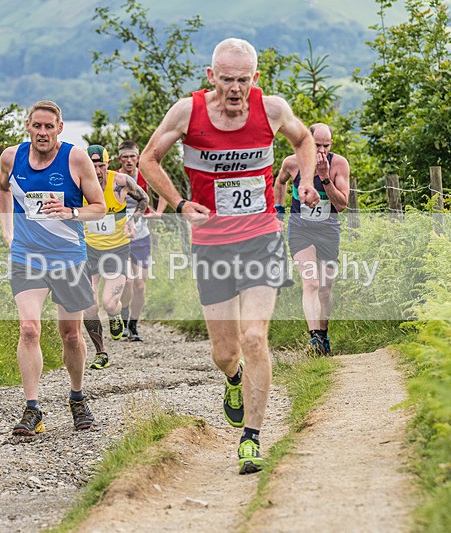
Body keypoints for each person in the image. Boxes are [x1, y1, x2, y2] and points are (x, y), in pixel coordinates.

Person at [140, 38, 319, 475]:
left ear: (255, 78)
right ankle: (234, 379)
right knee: (225, 352)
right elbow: (148, 159)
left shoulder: (271, 109)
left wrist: (306, 180)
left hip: (261, 238)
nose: (235, 89)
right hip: (212, 244)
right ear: (211, 76)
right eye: (226, 80)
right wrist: (180, 204)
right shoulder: (187, 112)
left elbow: (304, 139)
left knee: (255, 337)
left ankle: (251, 438)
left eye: (243, 80)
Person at [0, 100, 106, 436]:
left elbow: (100, 207)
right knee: (29, 329)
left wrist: (72, 213)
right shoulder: (11, 157)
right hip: (27, 256)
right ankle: (32, 409)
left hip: (68, 257)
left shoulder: (76, 159)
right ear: (27, 126)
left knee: (70, 334)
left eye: (49, 126)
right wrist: (7, 231)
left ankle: (77, 396)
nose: (42, 132)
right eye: (37, 126)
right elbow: (2, 189)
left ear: (59, 128)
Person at [274, 123, 350, 356]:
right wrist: (278, 212)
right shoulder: (292, 163)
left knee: (325, 289)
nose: (322, 151)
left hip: (328, 231)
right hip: (301, 230)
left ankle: (324, 336)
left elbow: (342, 205)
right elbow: (280, 182)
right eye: (317, 145)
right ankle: (315, 338)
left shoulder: (339, 165)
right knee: (311, 283)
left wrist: (325, 178)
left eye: (327, 145)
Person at [82, 144, 148, 369]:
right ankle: (101, 352)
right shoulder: (78, 184)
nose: (97, 171)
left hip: (117, 250)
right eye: (92, 166)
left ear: (108, 164)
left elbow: (143, 199)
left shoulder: (120, 181)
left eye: (101, 165)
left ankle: (115, 315)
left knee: (109, 304)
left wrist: (132, 220)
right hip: (89, 250)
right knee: (89, 306)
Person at [116, 140, 167, 342]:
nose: (129, 161)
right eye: (125, 157)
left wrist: (159, 213)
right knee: (128, 281)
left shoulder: (144, 176)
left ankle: (133, 325)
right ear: (119, 159)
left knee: (140, 285)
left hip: (142, 236)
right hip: (120, 237)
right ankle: (124, 315)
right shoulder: (115, 178)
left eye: (132, 157)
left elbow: (164, 191)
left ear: (138, 158)